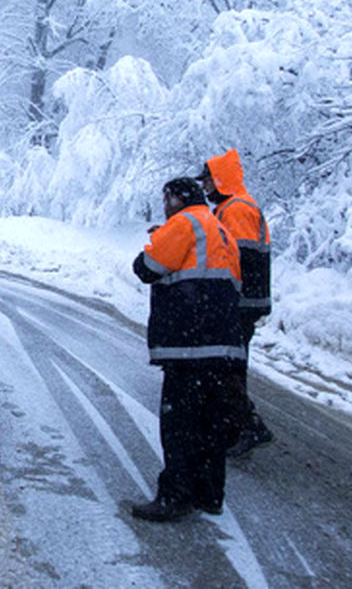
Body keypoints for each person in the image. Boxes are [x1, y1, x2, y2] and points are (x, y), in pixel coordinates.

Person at [130, 177, 245, 522]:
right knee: (211, 422)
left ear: (178, 198)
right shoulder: (222, 230)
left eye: (166, 198)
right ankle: (209, 495)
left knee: (179, 423)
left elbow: (146, 268)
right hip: (223, 344)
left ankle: (175, 496)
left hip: (189, 344)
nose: (164, 205)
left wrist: (158, 237)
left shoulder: (183, 223)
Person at [197, 149, 275, 458]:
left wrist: (223, 299)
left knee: (228, 367)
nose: (204, 188)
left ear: (220, 180)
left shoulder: (238, 209)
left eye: (207, 181)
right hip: (242, 302)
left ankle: (248, 426)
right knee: (227, 365)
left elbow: (237, 260)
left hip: (240, 303)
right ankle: (233, 426)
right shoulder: (230, 207)